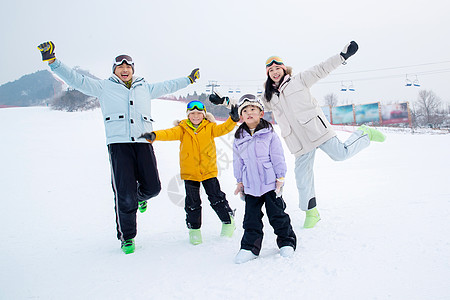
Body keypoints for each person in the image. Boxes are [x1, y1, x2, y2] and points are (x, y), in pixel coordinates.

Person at [37, 41, 200, 254]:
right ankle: (127, 237)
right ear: (114, 70)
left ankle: (140, 197)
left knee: (153, 188)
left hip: (143, 142)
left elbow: (168, 86)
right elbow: (76, 80)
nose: (125, 70)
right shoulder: (104, 87)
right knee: (124, 193)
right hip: (118, 145)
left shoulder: (145, 87)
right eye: (120, 67)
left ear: (133, 70)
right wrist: (53, 61)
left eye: (128, 67)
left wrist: (188, 79)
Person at [261, 41, 386, 228]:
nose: (275, 72)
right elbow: (251, 106)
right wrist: (226, 102)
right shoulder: (268, 97)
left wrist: (342, 57)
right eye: (271, 71)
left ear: (285, 70)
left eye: (278, 68)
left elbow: (322, 69)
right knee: (302, 178)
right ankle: (312, 212)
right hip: (298, 142)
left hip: (317, 130)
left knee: (341, 154)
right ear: (268, 75)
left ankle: (364, 133)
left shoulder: (300, 80)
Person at [140, 100, 240, 245]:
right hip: (190, 172)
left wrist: (233, 119)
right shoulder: (182, 128)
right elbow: (169, 133)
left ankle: (228, 222)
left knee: (216, 198)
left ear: (204, 115)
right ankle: (194, 230)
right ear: (188, 115)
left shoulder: (210, 127)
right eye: (192, 114)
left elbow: (224, 129)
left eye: (199, 113)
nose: (195, 116)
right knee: (192, 202)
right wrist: (155, 135)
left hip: (208, 171)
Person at [232, 94, 296, 264]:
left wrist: (280, 177)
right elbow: (237, 161)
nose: (249, 113)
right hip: (251, 185)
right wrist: (239, 181)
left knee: (277, 215)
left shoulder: (269, 134)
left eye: (253, 109)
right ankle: (249, 248)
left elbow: (277, 156)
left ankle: (286, 242)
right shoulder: (239, 138)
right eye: (245, 110)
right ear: (241, 116)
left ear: (261, 113)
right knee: (250, 219)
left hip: (270, 183)